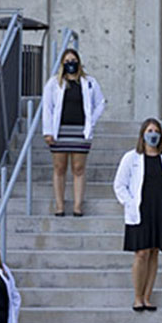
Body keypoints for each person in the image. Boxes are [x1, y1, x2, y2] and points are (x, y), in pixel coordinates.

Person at [113, 119, 162, 311]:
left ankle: (148, 297)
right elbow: (119, 184)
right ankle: (137, 296)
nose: (153, 134)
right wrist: (129, 203)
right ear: (142, 134)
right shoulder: (131, 158)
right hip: (140, 210)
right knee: (141, 253)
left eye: (156, 131)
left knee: (154, 252)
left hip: (160, 210)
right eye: (149, 130)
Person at [41, 48, 106, 216]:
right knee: (59, 167)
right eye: (67, 61)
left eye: (74, 60)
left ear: (79, 62)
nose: (71, 63)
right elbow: (47, 108)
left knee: (78, 168)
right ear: (62, 64)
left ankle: (77, 205)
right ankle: (60, 205)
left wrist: (91, 120)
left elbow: (100, 103)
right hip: (60, 131)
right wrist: (48, 131)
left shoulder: (89, 82)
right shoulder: (54, 83)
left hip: (80, 131)